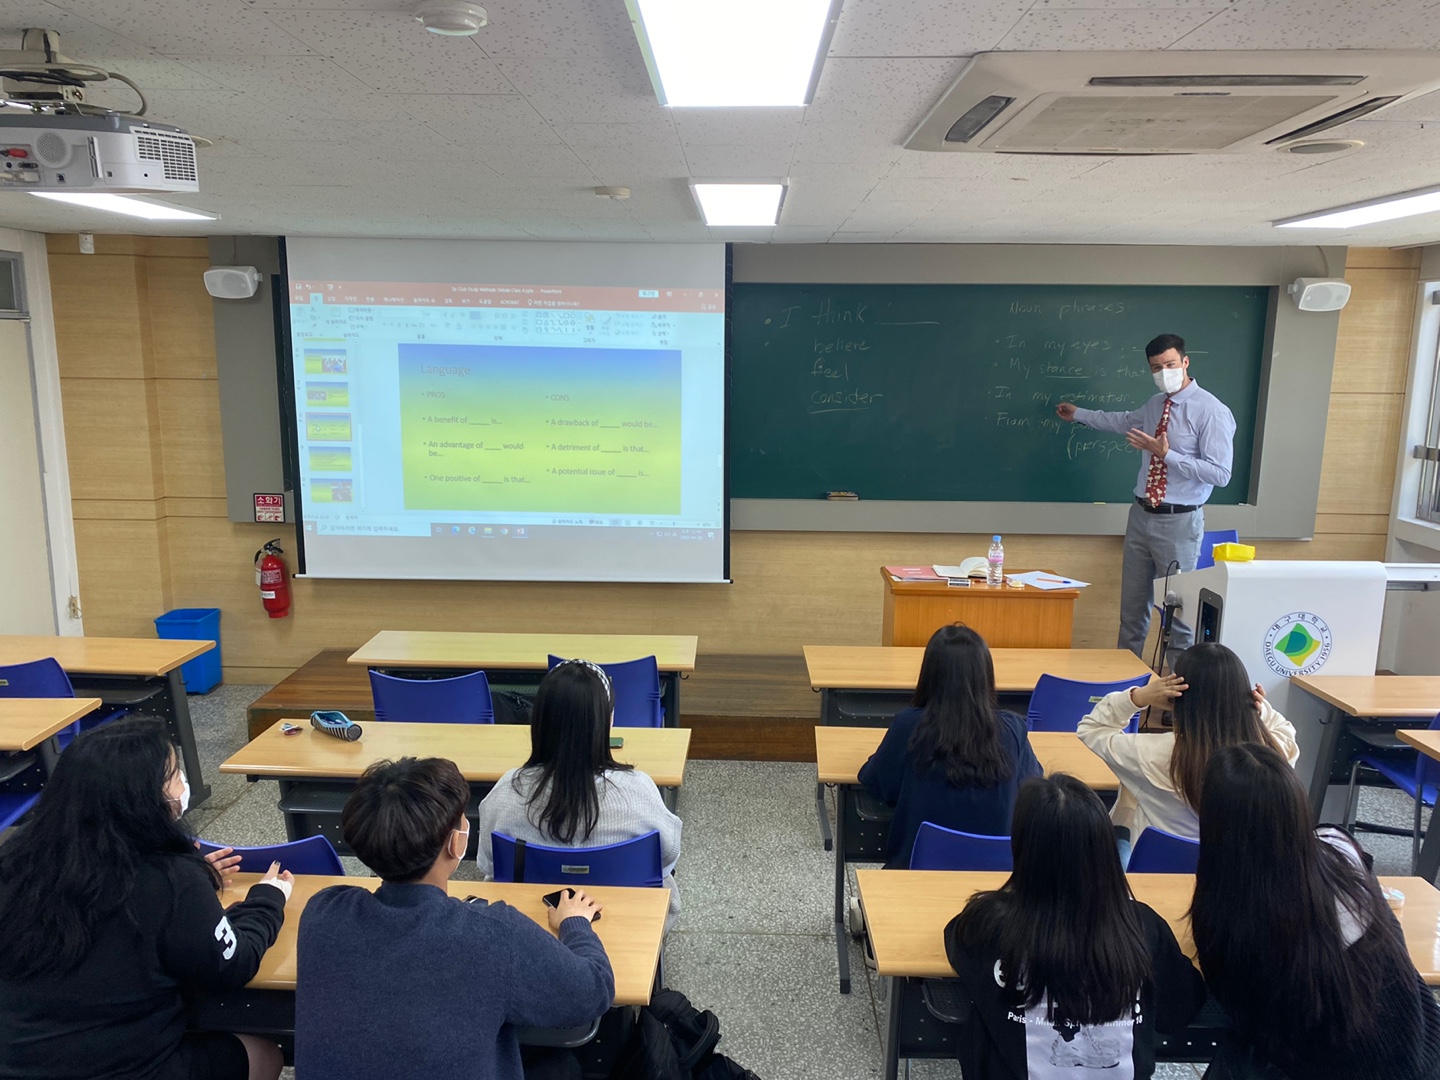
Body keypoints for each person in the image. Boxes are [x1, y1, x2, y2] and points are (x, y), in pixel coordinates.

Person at [0, 718, 291, 1080]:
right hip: (126, 1068)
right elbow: (232, 965)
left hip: (17, 1063)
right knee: (265, 1054)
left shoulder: (18, 856)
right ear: (143, 799)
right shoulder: (170, 879)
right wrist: (267, 900)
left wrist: (197, 877)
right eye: (173, 774)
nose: (182, 782)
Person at [297, 756, 614, 1080]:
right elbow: (594, 991)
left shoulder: (322, 913)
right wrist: (575, 923)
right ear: (455, 842)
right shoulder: (495, 933)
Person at [1191, 743, 1440, 1080]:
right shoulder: (1341, 849)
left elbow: (1243, 1013)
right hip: (1423, 1047)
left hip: (1337, 1067)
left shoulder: (1231, 923)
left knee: (1239, 1052)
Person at [945, 774, 1205, 1079]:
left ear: (1022, 849)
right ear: (1105, 850)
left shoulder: (988, 926)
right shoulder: (1142, 926)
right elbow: (1177, 1011)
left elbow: (956, 940)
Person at [1056, 333, 1237, 658]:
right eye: (1156, 367)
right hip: (1140, 515)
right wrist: (1078, 413)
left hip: (1179, 521)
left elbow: (1220, 474)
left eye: (1170, 364)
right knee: (1132, 611)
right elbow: (1123, 421)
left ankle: (1179, 689)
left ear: (1185, 362)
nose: (1164, 373)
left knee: (1179, 616)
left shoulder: (1211, 411)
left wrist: (1167, 455)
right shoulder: (1155, 405)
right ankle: (1126, 683)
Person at [476, 659, 682, 917]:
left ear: (539, 721)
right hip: (627, 918)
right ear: (608, 721)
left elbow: (488, 862)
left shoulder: (508, 790)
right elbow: (668, 855)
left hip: (527, 921)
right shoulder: (639, 791)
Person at [1077, 642, 1297, 855]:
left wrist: (1138, 697)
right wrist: (1257, 708)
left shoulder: (1150, 753)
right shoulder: (1274, 752)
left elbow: (1092, 729)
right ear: (1245, 695)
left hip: (1159, 869)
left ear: (1176, 696)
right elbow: (1281, 726)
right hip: (1238, 872)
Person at [857, 624, 1041, 868]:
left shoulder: (909, 725)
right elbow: (1031, 787)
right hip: (996, 878)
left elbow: (878, 784)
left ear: (929, 675)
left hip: (916, 872)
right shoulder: (1013, 729)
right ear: (985, 676)